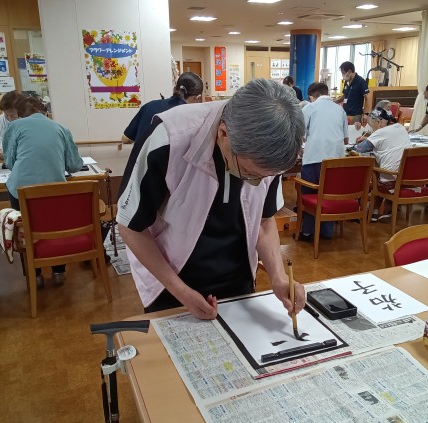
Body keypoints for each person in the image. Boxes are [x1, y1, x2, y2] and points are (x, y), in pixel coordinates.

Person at [117, 79, 306, 320]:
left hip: (239, 278)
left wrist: (278, 277)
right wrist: (181, 292)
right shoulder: (169, 138)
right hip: (171, 281)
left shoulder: (271, 154)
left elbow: (263, 221)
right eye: (250, 173)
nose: (256, 183)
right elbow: (130, 226)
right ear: (223, 133)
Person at [3, 96, 83, 287]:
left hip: (20, 190)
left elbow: (10, 162)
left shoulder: (14, 127)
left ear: (19, 114)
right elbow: (74, 165)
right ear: (45, 111)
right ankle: (59, 271)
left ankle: (35, 275)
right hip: (53, 193)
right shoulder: (61, 128)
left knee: (24, 231)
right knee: (55, 228)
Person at [297, 82, 349, 241]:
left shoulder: (310, 108)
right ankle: (326, 232)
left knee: (309, 194)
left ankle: (308, 232)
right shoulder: (340, 110)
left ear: (312, 96)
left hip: (314, 159)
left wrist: (300, 150)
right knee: (329, 194)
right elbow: (346, 140)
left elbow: (299, 135)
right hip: (336, 162)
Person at [354, 107, 411, 221]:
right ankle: (379, 212)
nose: (372, 129)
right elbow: (386, 139)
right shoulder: (400, 127)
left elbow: (360, 148)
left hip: (391, 182)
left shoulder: (379, 133)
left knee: (376, 174)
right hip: (407, 178)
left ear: (379, 122)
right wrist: (370, 138)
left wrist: (365, 141)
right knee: (382, 171)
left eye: (372, 125)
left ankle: (371, 211)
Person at [121, 72, 203, 144]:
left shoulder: (148, 106)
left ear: (175, 89)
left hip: (139, 157)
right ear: (198, 98)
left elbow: (125, 139)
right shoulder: (192, 119)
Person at [0, 91, 21, 159]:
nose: (9, 119)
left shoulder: (27, 118)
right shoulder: (2, 118)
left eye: (13, 116)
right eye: (6, 115)